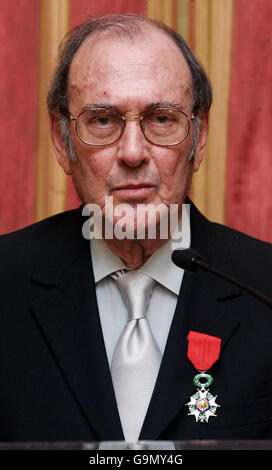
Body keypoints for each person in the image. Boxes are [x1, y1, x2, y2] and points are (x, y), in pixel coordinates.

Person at [0, 13, 271, 444]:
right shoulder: (6, 281)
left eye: (161, 119)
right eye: (103, 121)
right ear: (60, 140)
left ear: (198, 138)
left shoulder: (264, 288)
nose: (132, 153)